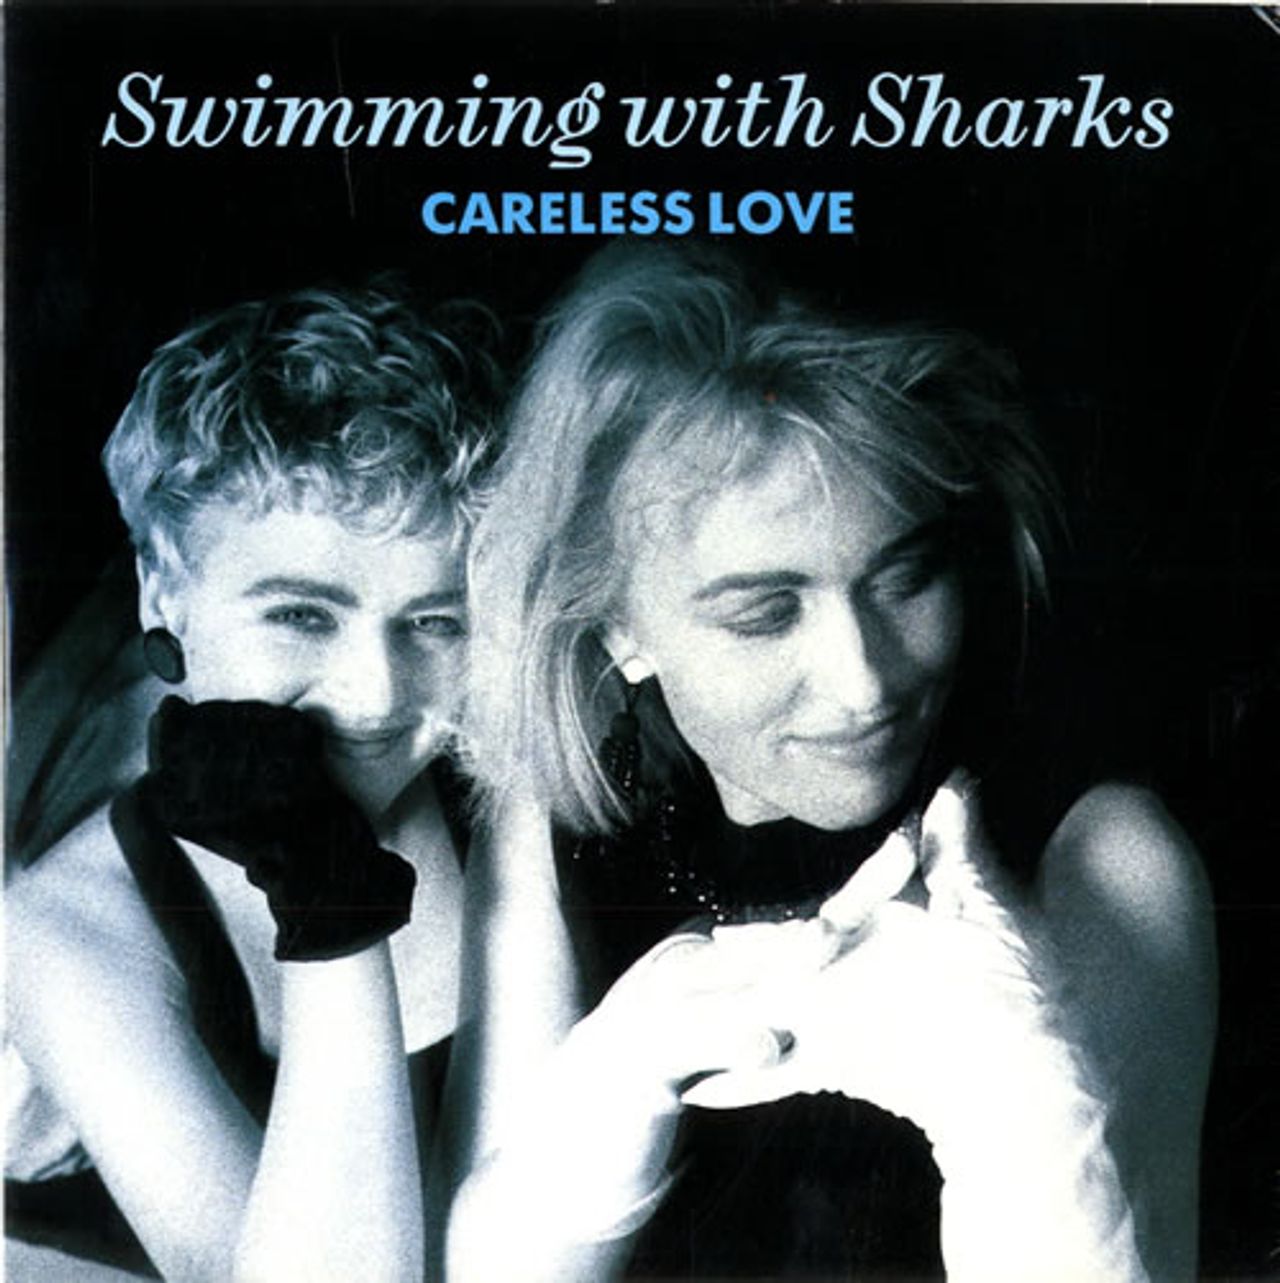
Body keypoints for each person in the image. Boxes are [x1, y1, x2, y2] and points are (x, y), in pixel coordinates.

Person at [447, 242, 1217, 1282]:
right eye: (764, 614)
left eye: (905, 577)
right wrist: (602, 1106)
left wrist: (1018, 1097)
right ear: (617, 625)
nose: (864, 683)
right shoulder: (558, 821)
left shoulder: (1102, 853)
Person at [6, 281, 501, 1282]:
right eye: (302, 615)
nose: (376, 690)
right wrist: (325, 894)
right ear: (164, 593)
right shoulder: (64, 924)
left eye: (434, 622)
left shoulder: (500, 797)